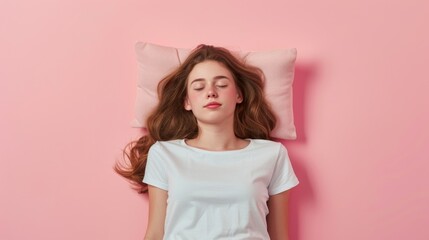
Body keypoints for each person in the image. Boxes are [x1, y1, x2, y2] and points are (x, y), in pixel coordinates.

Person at [115, 44, 299, 240]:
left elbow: (280, 236)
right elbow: (154, 234)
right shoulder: (163, 154)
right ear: (187, 102)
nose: (211, 92)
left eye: (221, 84)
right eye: (199, 87)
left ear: (239, 95)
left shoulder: (272, 154)